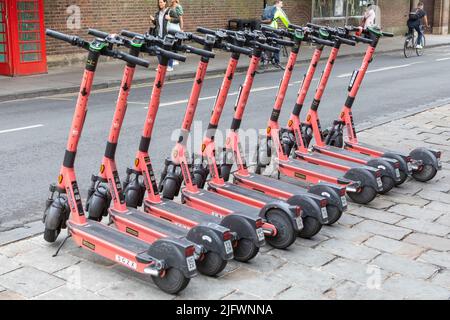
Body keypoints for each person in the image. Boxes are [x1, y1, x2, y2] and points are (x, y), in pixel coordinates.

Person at [149, 0, 181, 71]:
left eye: (161, 2)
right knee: (157, 50)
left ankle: (170, 66)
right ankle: (162, 65)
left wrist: (170, 19)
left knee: (168, 50)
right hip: (159, 35)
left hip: (167, 34)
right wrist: (153, 20)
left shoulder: (170, 11)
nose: (160, 4)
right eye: (159, 2)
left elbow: (178, 19)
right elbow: (157, 24)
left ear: (165, 2)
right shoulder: (158, 13)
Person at [261, 0, 290, 69]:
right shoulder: (278, 10)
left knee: (266, 42)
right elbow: (286, 21)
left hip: (264, 29)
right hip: (272, 30)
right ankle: (277, 62)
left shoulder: (267, 8)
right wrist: (291, 29)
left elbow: (267, 19)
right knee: (278, 42)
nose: (282, 4)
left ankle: (265, 58)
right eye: (281, 3)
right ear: (277, 3)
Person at [167, 0, 184, 67]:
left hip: (175, 27)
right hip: (170, 26)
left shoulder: (178, 6)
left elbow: (180, 19)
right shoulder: (170, 6)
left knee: (174, 43)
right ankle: (172, 59)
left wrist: (181, 29)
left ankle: (175, 60)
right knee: (171, 42)